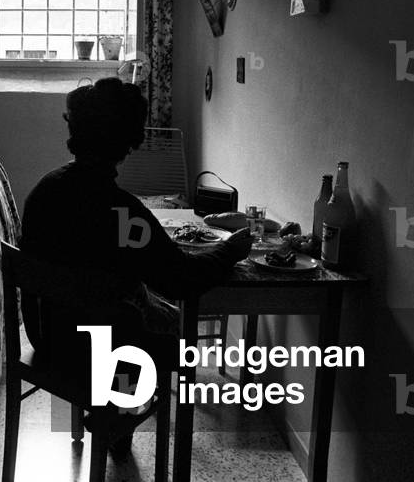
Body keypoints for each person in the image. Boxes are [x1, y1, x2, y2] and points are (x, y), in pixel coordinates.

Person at [19, 77, 252, 451]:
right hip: (95, 350)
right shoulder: (124, 213)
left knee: (133, 307)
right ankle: (119, 413)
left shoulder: (44, 191)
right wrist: (231, 250)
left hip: (46, 336)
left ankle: (116, 412)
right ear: (128, 143)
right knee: (172, 336)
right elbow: (181, 279)